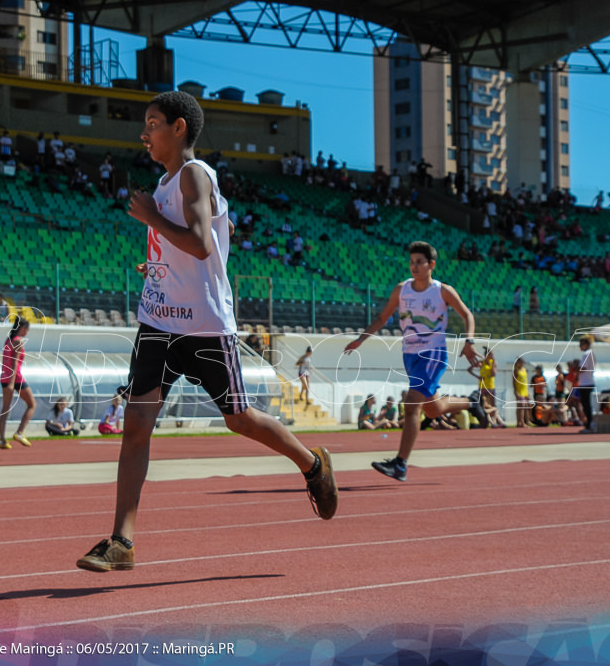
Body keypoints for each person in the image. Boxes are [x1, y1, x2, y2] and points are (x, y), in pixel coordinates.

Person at [76, 92, 337, 572]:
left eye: (152, 124)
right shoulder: (168, 181)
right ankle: (121, 543)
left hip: (202, 327)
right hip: (158, 322)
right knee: (135, 427)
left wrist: (152, 220)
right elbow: (214, 236)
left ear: (178, 128)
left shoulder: (196, 174)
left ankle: (312, 464)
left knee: (238, 419)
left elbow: (199, 244)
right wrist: (157, 263)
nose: (144, 133)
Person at [344, 240, 483, 482]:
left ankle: (401, 463)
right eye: (412, 262)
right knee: (433, 408)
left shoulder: (442, 291)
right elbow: (382, 317)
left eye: (420, 262)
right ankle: (471, 403)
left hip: (433, 353)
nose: (414, 266)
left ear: (432, 265)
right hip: (409, 354)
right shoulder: (401, 290)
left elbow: (467, 314)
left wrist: (469, 341)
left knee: (411, 404)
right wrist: (360, 340)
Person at [0, 317, 35, 450]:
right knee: (32, 404)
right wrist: (12, 383)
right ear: (22, 328)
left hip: (4, 377)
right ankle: (19, 432)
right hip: (15, 378)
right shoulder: (18, 341)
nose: (27, 332)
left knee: (5, 409)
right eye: (27, 329)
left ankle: (2, 440)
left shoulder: (8, 340)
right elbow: (14, 362)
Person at [576, 335, 597, 432]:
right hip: (589, 381)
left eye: (581, 344)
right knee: (586, 405)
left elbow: (582, 368)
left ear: (586, 344)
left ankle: (589, 424)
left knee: (585, 405)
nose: (580, 346)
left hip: (585, 383)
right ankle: (590, 423)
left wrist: (575, 369)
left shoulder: (586, 354)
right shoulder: (592, 353)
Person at [513, 358, 532, 427]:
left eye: (522, 363)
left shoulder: (524, 369)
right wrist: (516, 392)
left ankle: (526, 421)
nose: (521, 364)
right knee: (521, 407)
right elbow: (514, 383)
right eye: (520, 362)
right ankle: (521, 422)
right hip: (519, 391)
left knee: (526, 407)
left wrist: (528, 392)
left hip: (525, 391)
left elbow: (525, 381)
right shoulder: (516, 371)